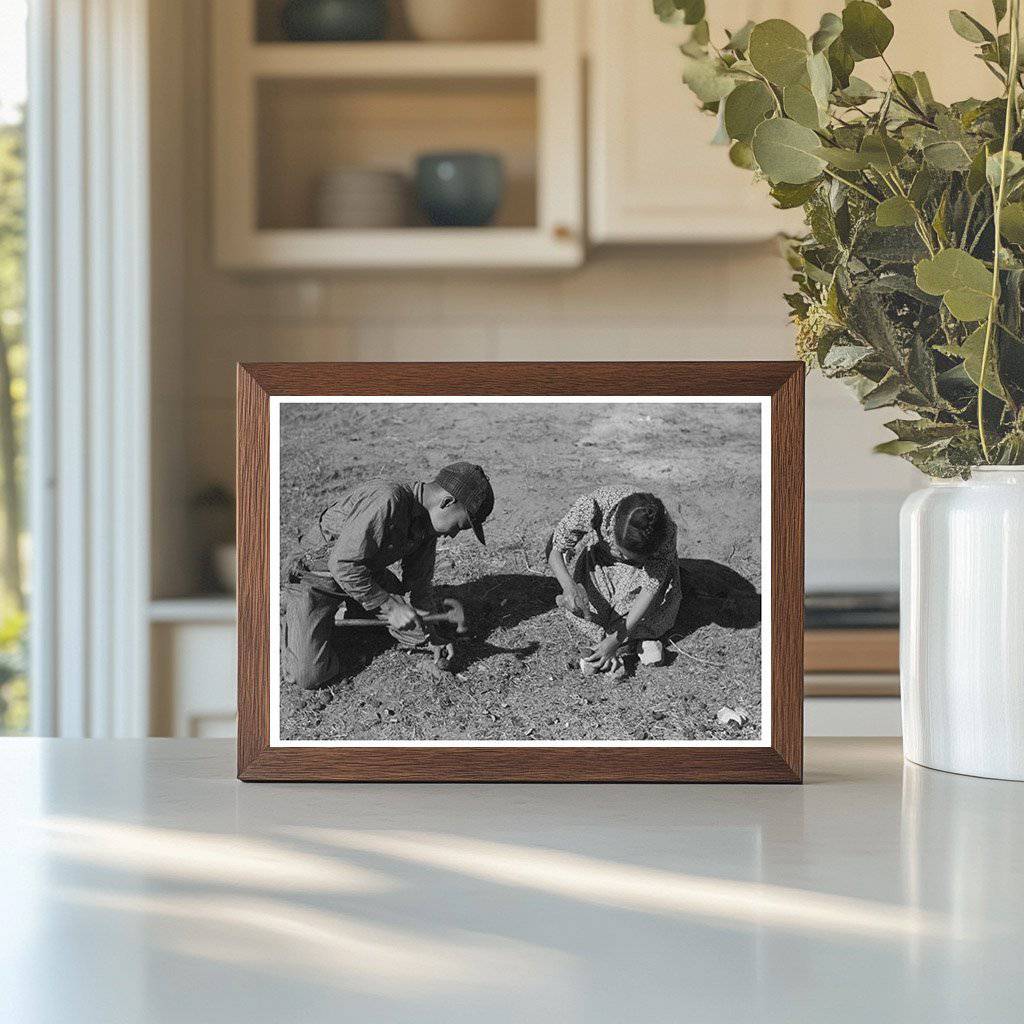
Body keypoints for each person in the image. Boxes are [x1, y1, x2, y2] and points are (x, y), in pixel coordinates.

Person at [282, 462, 494, 690]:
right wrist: (390, 606)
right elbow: (342, 564)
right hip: (315, 577)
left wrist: (430, 638)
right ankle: (289, 616)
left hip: (365, 577)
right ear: (447, 502)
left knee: (412, 633)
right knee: (309, 675)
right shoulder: (388, 499)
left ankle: (346, 611)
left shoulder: (428, 524)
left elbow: (419, 586)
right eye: (460, 525)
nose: (452, 535)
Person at [547, 486, 681, 675]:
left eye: (632, 556)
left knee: (647, 611)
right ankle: (630, 641)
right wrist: (569, 587)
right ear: (614, 531)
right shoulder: (595, 506)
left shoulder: (665, 533)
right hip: (602, 564)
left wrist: (618, 637)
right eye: (622, 552)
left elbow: (651, 586)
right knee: (594, 610)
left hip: (643, 573)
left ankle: (626, 642)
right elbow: (555, 551)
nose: (625, 559)